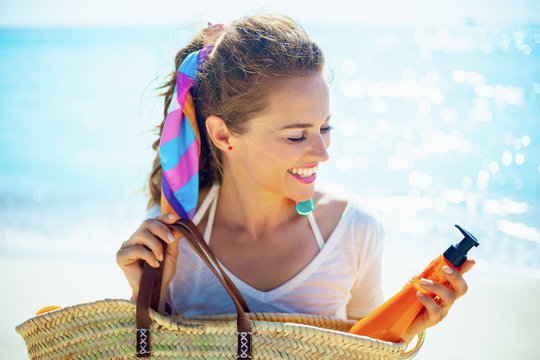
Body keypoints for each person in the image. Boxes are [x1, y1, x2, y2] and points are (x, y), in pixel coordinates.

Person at [116, 14, 474, 344]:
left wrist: (406, 330)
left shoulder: (353, 232)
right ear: (223, 136)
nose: (322, 153)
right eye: (296, 136)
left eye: (325, 127)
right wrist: (147, 295)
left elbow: (367, 351)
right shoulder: (171, 239)